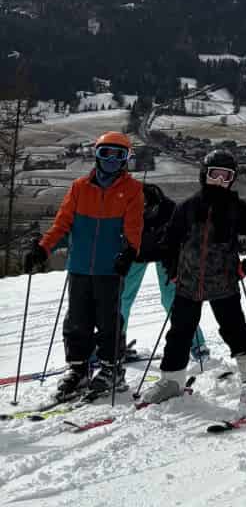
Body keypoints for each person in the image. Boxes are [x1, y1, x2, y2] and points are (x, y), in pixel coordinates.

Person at [144, 150, 246, 412]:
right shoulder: (187, 207)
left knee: (235, 331)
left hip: (224, 284)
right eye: (215, 174)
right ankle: (172, 380)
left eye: (227, 177)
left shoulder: (238, 209)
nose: (220, 181)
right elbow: (169, 242)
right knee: (180, 333)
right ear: (205, 175)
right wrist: (173, 271)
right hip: (188, 284)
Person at [24, 130, 144, 401]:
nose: (112, 160)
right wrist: (43, 247)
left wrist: (129, 252)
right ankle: (78, 369)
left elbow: (134, 228)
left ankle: (112, 368)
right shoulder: (79, 187)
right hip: (78, 267)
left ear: (126, 159)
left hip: (109, 269)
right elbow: (62, 224)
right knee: (77, 320)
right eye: (106, 153)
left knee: (108, 320)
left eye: (118, 155)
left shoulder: (132, 190)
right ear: (97, 156)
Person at [118, 181, 213, 367]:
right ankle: (115, 346)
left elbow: (182, 235)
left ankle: (197, 346)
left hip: (166, 254)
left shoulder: (170, 209)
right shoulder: (125, 206)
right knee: (121, 298)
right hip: (136, 253)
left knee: (172, 299)